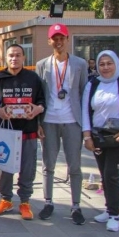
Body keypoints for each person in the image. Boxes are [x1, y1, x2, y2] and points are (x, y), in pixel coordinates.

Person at [35, 23, 88, 224]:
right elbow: (40, 95)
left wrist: (85, 125)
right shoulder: (42, 65)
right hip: (49, 120)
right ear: (49, 41)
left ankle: (76, 206)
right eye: (54, 38)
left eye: (61, 38)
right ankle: (48, 202)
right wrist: (39, 122)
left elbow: (83, 93)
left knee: (75, 165)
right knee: (48, 164)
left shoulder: (79, 64)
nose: (58, 42)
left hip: (72, 120)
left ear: (67, 39)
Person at [0, 44, 45, 220]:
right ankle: (5, 199)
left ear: (24, 58)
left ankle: (25, 202)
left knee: (27, 168)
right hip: (6, 132)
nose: (14, 58)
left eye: (18, 55)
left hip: (28, 131)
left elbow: (42, 102)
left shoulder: (33, 78)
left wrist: (37, 110)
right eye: (11, 55)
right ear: (6, 58)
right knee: (5, 167)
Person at [82, 50, 119, 232]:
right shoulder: (93, 84)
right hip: (99, 138)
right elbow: (86, 111)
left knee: (112, 175)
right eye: (102, 64)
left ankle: (114, 215)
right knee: (104, 174)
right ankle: (108, 208)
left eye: (109, 63)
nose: (105, 67)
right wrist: (87, 136)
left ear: (116, 64)